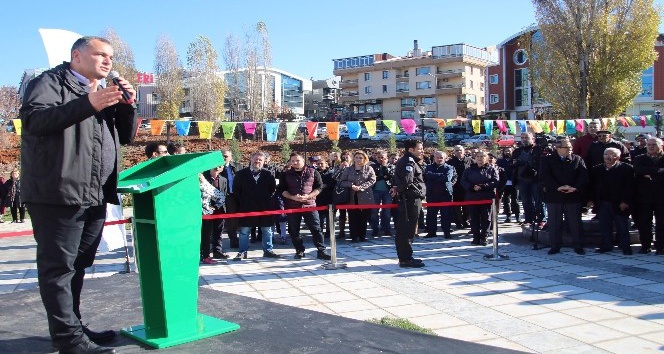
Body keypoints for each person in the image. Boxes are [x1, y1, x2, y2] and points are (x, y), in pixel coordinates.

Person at [20, 36, 137, 354]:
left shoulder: (99, 92)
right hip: (58, 192)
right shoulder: (49, 82)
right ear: (77, 56)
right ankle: (69, 340)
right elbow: (33, 120)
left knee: (79, 263)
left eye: (111, 57)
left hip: (94, 193)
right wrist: (89, 104)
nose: (108, 61)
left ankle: (74, 328)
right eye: (100, 54)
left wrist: (128, 106)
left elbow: (124, 138)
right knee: (59, 267)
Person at [539, 139, 588, 255]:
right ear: (558, 148)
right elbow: (545, 176)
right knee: (555, 222)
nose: (570, 150)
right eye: (566, 148)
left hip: (573, 195)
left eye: (570, 147)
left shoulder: (577, 159)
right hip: (554, 196)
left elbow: (583, 176)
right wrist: (557, 187)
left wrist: (574, 187)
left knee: (575, 222)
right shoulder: (547, 160)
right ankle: (555, 246)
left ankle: (578, 245)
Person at [278, 153, 331, 260]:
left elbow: (319, 187)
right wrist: (293, 197)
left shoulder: (313, 172)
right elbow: (281, 190)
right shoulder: (285, 174)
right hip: (292, 205)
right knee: (293, 230)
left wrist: (309, 196)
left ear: (303, 160)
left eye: (297, 160)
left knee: (316, 229)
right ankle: (299, 250)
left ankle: (321, 250)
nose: (295, 163)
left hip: (310, 205)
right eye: (292, 161)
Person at [232, 151, 280, 260]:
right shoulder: (241, 174)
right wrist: (245, 200)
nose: (257, 161)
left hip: (265, 207)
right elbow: (236, 191)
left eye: (260, 160)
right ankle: (242, 252)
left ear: (264, 162)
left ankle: (268, 250)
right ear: (251, 159)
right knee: (244, 231)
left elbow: (272, 190)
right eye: (255, 159)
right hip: (247, 207)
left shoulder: (268, 174)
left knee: (267, 230)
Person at [589, 148, 634, 255]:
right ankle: (606, 246)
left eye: (611, 155)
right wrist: (591, 200)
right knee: (604, 226)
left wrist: (625, 201)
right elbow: (591, 186)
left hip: (619, 203)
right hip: (603, 203)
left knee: (622, 226)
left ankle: (625, 246)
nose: (608, 157)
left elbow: (630, 187)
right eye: (606, 154)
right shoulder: (597, 169)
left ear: (617, 157)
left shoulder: (626, 168)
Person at [392, 140, 426, 268]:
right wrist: (398, 189)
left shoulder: (409, 160)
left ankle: (406, 256)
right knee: (407, 230)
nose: (422, 151)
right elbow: (407, 180)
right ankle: (405, 259)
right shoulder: (408, 161)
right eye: (420, 148)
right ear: (411, 150)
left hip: (409, 198)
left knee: (407, 229)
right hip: (410, 199)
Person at [632, 138, 664, 255]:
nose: (650, 147)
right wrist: (659, 171)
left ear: (660, 146)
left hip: (661, 196)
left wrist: (650, 174)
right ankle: (645, 245)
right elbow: (638, 170)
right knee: (644, 222)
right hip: (644, 197)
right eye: (649, 144)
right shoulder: (640, 158)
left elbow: (646, 172)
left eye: (654, 145)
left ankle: (660, 246)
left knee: (661, 222)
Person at [460, 150, 499, 246]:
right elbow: (463, 181)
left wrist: (483, 186)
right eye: (478, 156)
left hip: (486, 197)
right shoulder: (469, 170)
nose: (480, 158)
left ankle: (484, 236)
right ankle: (476, 237)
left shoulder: (492, 169)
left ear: (486, 158)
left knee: (486, 218)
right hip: (472, 197)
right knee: (474, 218)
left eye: (482, 156)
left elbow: (495, 181)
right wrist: (472, 187)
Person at [338, 150, 376, 242]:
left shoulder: (369, 169)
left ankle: (362, 236)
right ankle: (354, 236)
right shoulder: (348, 169)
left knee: (364, 218)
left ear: (364, 159)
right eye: (356, 157)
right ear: (353, 159)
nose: (358, 159)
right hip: (352, 197)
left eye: (361, 158)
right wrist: (351, 185)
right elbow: (342, 182)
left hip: (365, 196)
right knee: (353, 218)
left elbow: (372, 180)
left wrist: (362, 187)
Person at [513, 132, 546, 227]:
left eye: (526, 137)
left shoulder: (538, 149)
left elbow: (543, 164)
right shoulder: (517, 151)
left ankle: (541, 220)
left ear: (532, 138)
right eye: (522, 137)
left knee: (539, 200)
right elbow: (512, 164)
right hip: (522, 179)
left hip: (536, 179)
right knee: (525, 201)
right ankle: (529, 219)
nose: (524, 139)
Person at [423, 151, 456, 239]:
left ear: (445, 158)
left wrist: (433, 176)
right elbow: (426, 177)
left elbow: (447, 178)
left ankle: (447, 232)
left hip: (445, 194)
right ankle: (431, 232)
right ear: (434, 158)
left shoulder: (449, 167)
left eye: (441, 157)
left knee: (446, 214)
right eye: (437, 157)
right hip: (432, 194)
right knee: (431, 214)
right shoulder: (428, 167)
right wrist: (439, 176)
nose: (439, 159)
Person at [202, 162, 229, 260]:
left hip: (219, 209)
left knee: (218, 231)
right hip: (206, 210)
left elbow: (224, 194)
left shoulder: (223, 179)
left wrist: (217, 207)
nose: (217, 168)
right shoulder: (203, 178)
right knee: (206, 232)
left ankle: (217, 251)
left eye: (220, 166)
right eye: (215, 166)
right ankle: (204, 253)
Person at [199, 173, 226, 264]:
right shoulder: (186, 186)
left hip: (206, 215)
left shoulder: (206, 185)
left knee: (206, 237)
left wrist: (214, 207)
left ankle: (206, 256)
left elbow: (221, 197)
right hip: (191, 216)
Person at [220, 148, 242, 249]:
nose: (224, 158)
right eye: (222, 156)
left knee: (236, 220)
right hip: (224, 196)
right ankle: (233, 240)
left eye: (226, 156)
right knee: (229, 220)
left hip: (237, 196)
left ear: (231, 157)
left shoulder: (238, 166)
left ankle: (239, 240)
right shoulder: (216, 167)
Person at [369, 150, 395, 237]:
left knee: (387, 211)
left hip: (387, 191)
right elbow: (374, 177)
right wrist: (383, 176)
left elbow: (391, 176)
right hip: (375, 191)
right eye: (379, 157)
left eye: (383, 158)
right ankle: (375, 229)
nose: (381, 159)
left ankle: (386, 228)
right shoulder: (372, 166)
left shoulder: (391, 166)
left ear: (386, 158)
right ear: (376, 157)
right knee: (374, 211)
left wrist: (384, 168)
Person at [447, 145, 471, 229]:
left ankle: (466, 221)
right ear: (454, 152)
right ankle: (458, 222)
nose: (459, 152)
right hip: (455, 187)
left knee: (467, 206)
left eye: (460, 150)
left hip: (467, 187)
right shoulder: (450, 162)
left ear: (464, 151)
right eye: (456, 150)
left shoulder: (470, 161)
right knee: (456, 207)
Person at [314, 157, 335, 239]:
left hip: (329, 197)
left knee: (330, 217)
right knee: (319, 217)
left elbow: (335, 184)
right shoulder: (315, 172)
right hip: (319, 197)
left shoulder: (332, 173)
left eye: (321, 163)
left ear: (326, 164)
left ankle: (329, 232)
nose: (320, 165)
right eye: (318, 164)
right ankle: (320, 232)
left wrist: (327, 185)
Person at [497, 147, 519, 223]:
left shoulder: (515, 161)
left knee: (515, 200)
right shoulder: (500, 161)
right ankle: (508, 216)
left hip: (514, 183)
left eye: (509, 151)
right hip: (504, 183)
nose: (507, 152)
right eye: (506, 151)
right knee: (506, 201)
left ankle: (517, 216)